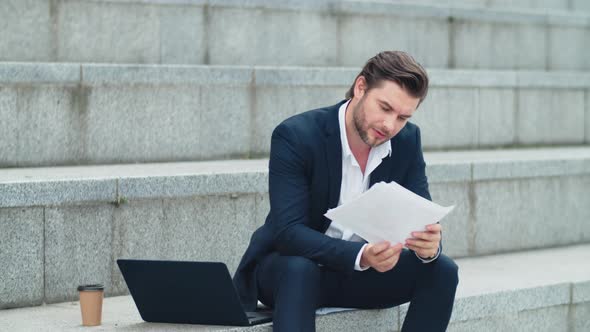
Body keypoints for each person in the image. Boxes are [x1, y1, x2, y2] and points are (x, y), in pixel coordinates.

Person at [233, 51, 459, 331]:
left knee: (443, 270)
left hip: (363, 273)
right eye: (385, 108)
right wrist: (360, 255)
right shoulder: (297, 135)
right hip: (293, 271)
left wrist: (428, 246)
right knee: (298, 269)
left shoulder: (407, 140)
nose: (390, 125)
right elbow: (288, 233)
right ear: (360, 87)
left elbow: (420, 215)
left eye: (402, 117)